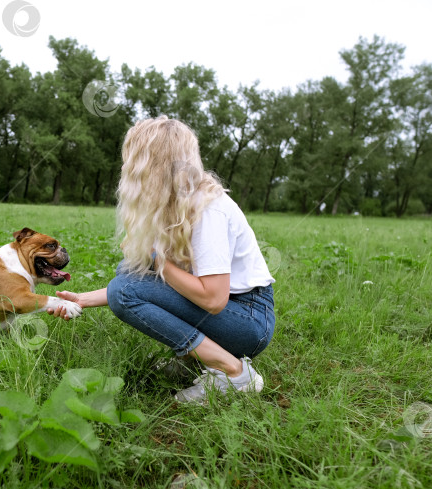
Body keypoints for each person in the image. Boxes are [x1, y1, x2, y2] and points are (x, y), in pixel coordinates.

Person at [47, 116, 275, 404]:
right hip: (230, 313)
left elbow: (215, 299)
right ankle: (199, 360)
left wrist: (157, 261)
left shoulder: (209, 210)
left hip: (248, 320)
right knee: (127, 273)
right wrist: (81, 300)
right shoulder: (174, 207)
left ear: (151, 167)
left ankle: (233, 372)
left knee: (129, 283)